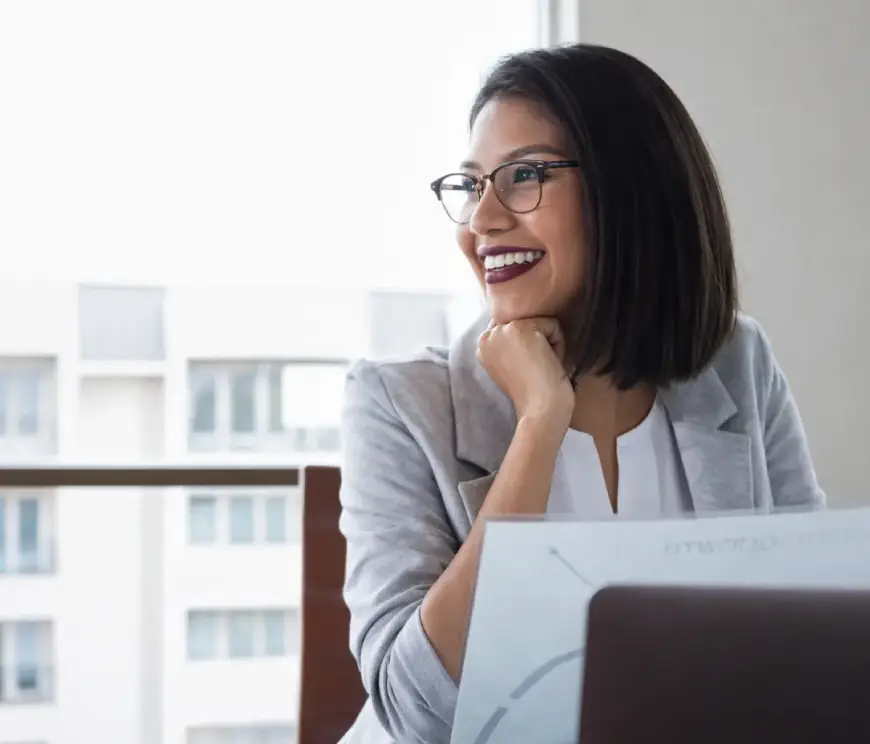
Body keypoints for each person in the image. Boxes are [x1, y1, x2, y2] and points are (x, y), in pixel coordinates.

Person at [337, 43, 825, 744]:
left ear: (630, 190)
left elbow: (811, 634)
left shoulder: (737, 366)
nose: (482, 221)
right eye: (473, 186)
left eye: (526, 175)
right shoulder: (396, 402)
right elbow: (418, 712)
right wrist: (540, 423)